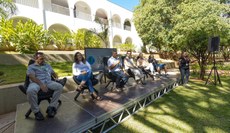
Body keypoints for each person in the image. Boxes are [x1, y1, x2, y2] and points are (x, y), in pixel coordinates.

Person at [26, 52, 63, 120]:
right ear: (35, 59)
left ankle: (51, 107)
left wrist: (56, 77)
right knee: (30, 91)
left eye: (44, 58)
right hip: (36, 82)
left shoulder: (47, 65)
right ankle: (36, 112)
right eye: (41, 59)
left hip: (48, 82)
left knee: (59, 87)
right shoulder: (31, 67)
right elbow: (32, 77)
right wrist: (41, 85)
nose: (43, 60)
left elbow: (53, 72)